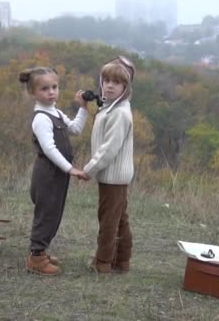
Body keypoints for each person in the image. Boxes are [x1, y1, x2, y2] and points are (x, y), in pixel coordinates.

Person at [20, 66, 89, 276]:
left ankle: (41, 252)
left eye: (54, 87)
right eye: (44, 89)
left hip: (57, 174)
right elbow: (49, 149)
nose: (51, 92)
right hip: (47, 174)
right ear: (33, 93)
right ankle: (36, 258)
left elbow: (76, 129)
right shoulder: (41, 117)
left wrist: (83, 108)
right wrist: (70, 169)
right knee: (46, 213)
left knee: (54, 212)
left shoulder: (56, 112)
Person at [83, 56, 136, 274]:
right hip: (112, 175)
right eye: (106, 81)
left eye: (116, 82)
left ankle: (103, 262)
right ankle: (122, 260)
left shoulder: (120, 113)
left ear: (125, 87)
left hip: (112, 176)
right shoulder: (110, 108)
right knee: (119, 218)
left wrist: (89, 170)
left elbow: (108, 149)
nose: (110, 86)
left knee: (108, 220)